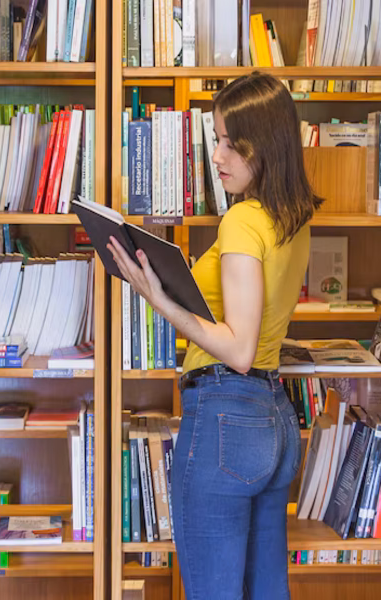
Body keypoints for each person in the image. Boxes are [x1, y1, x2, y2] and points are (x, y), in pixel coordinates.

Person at [108, 72, 322, 599]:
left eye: (232, 142)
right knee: (266, 591)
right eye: (218, 139)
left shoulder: (243, 222)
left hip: (227, 414)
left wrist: (157, 298)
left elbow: (238, 348)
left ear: (264, 144)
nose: (219, 155)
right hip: (273, 419)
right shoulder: (292, 219)